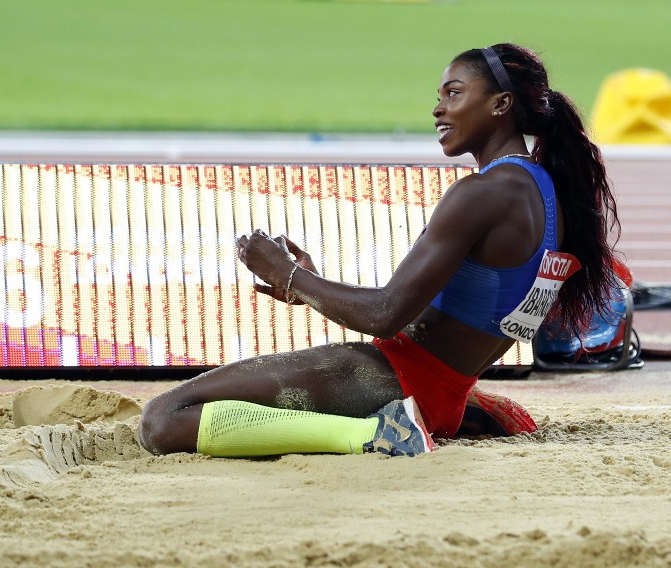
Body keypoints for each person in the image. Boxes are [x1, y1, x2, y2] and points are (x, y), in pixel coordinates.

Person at [136, 43, 620, 457]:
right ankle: (447, 413)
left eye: (454, 93)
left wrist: (289, 275)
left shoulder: (483, 193)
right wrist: (307, 287)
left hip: (399, 382)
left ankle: (375, 435)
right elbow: (486, 310)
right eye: (438, 96)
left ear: (500, 105)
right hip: (445, 387)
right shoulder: (544, 188)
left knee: (164, 419)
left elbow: (386, 313)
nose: (438, 109)